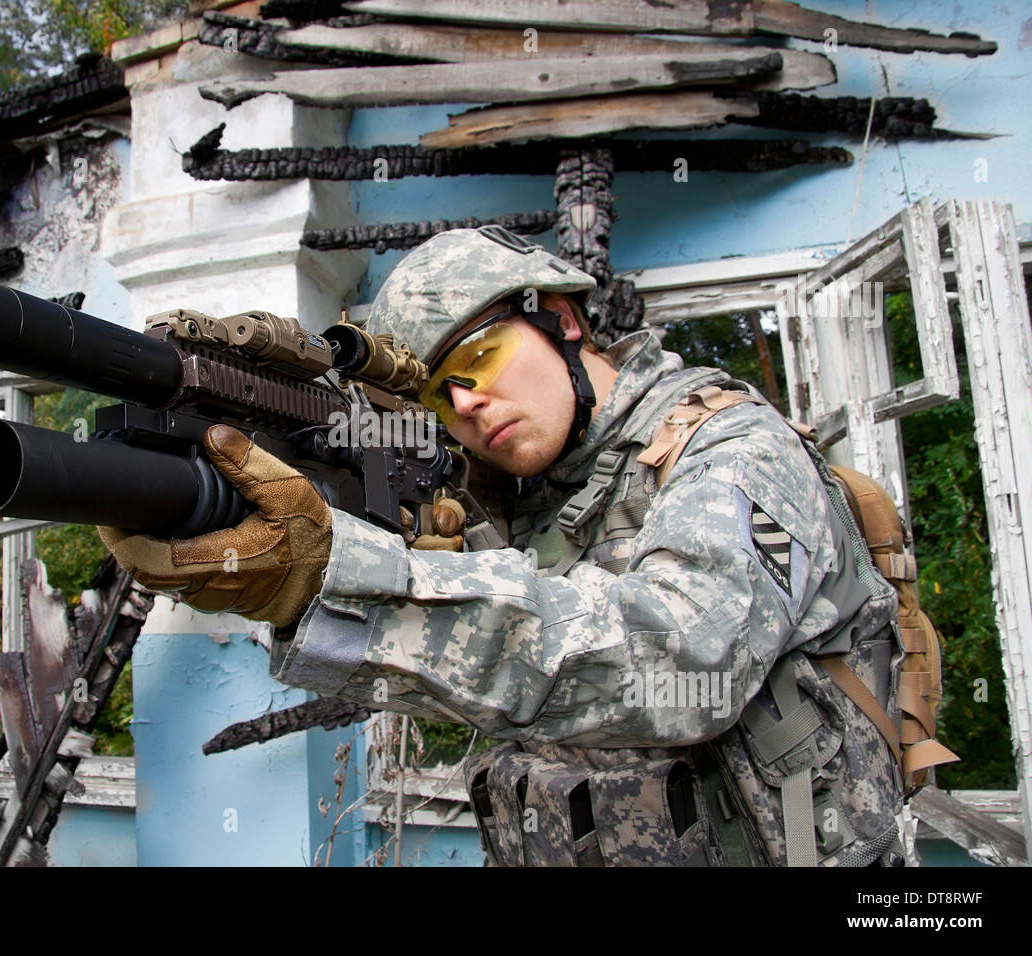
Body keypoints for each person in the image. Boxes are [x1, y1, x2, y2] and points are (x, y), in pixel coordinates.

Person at [98, 225, 909, 867]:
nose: (469, 403)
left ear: (562, 319)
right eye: (437, 396)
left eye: (480, 357)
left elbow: (680, 661)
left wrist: (341, 581)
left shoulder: (733, 447)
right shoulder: (528, 501)